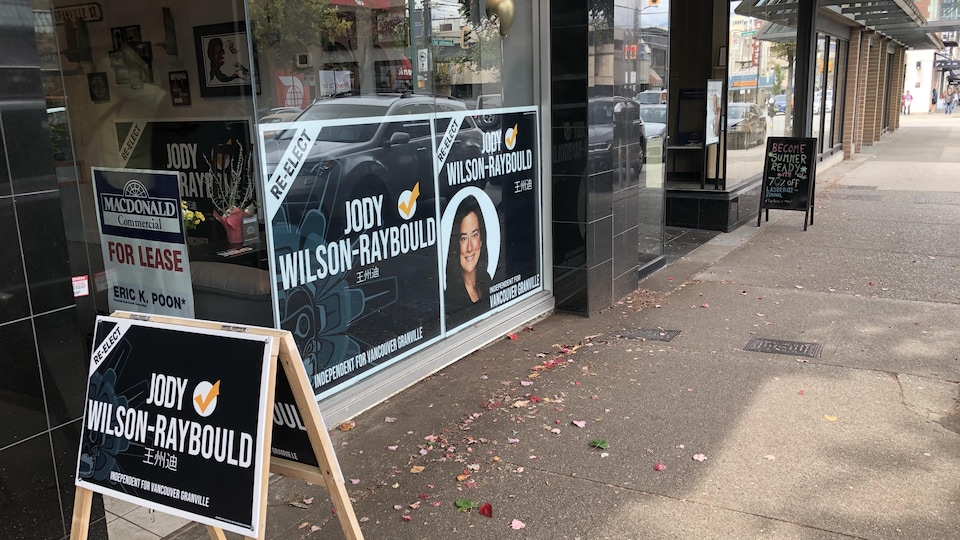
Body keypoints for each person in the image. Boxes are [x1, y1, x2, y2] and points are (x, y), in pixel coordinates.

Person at [444, 196, 492, 326]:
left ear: (481, 240)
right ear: (455, 244)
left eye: (475, 235)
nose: (470, 247)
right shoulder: (452, 299)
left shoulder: (487, 281)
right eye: (463, 238)